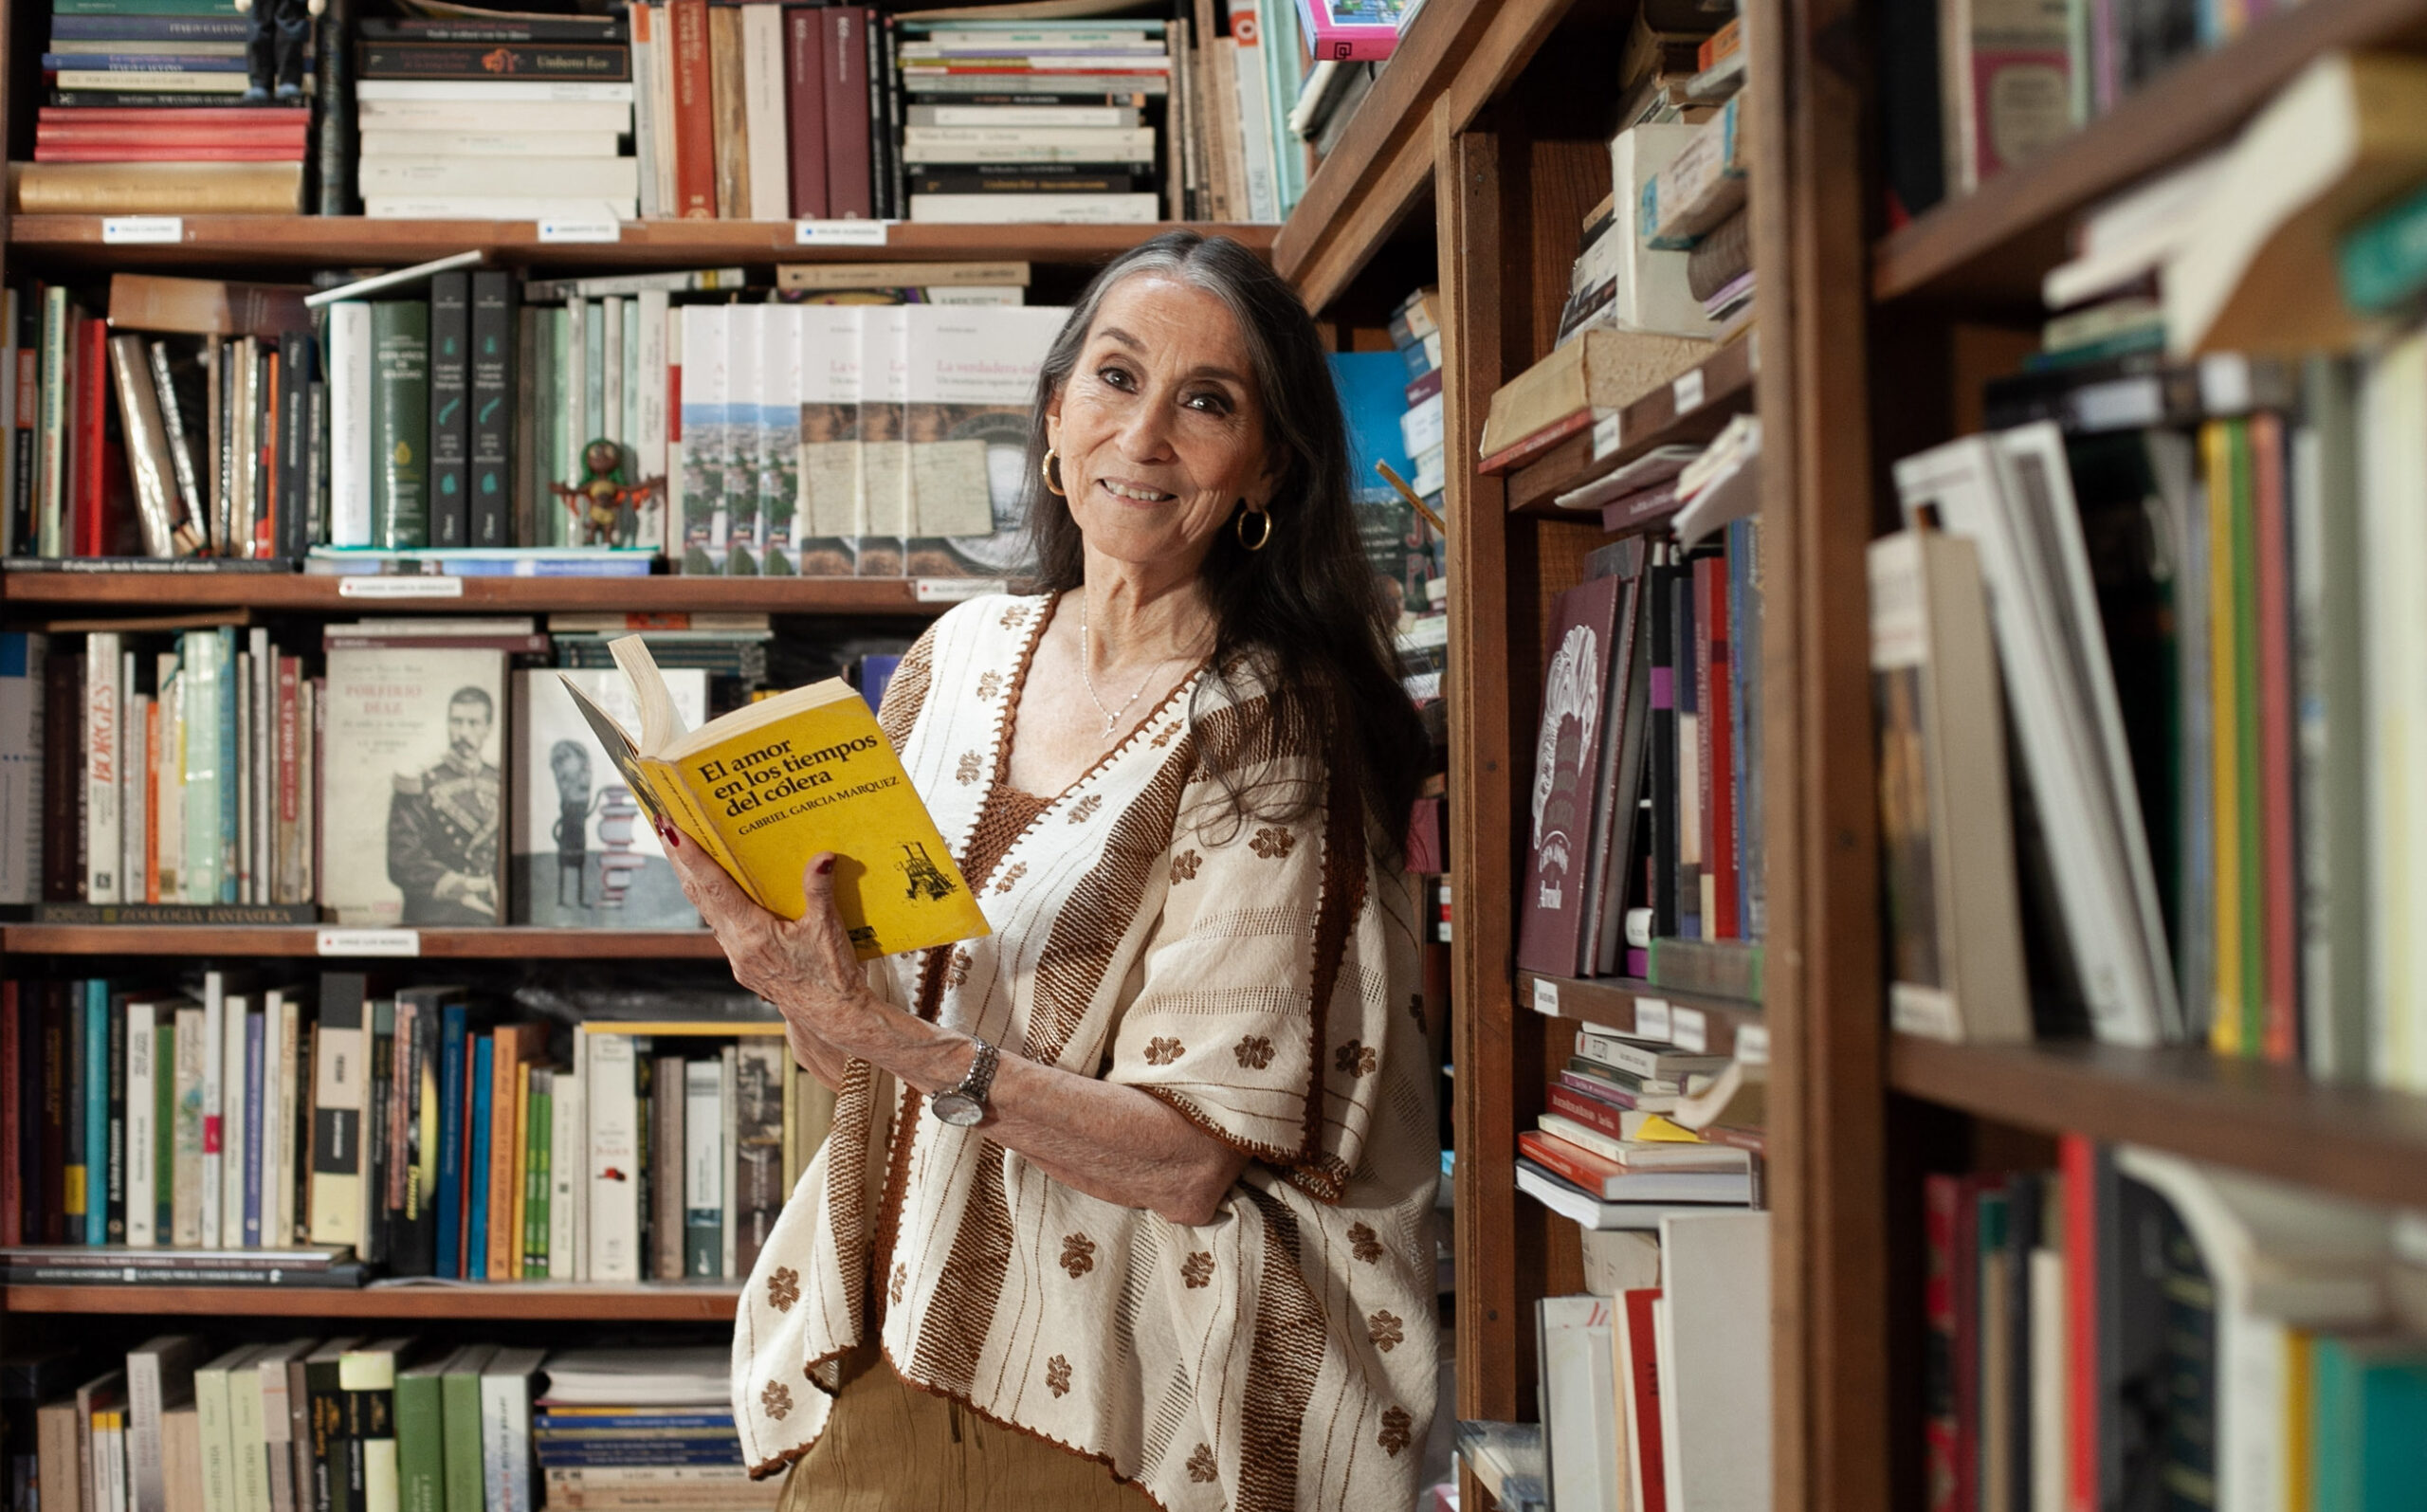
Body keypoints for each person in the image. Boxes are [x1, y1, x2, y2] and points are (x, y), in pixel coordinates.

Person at [668, 230, 1438, 1512]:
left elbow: (1187, 1160)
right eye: (1116, 378)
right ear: (1053, 415)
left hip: (1133, 1391)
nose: (1143, 435)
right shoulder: (956, 657)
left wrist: (888, 1034)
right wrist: (794, 980)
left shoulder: (1270, 723)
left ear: (1268, 466)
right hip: (892, 1327)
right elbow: (860, 1063)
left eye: (1207, 401)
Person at [388, 684, 501, 924]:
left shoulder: (500, 779)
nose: (463, 732)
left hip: (492, 916)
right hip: (436, 916)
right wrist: (460, 885)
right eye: (456, 722)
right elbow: (402, 856)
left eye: (473, 723)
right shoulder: (420, 781)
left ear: (488, 728)